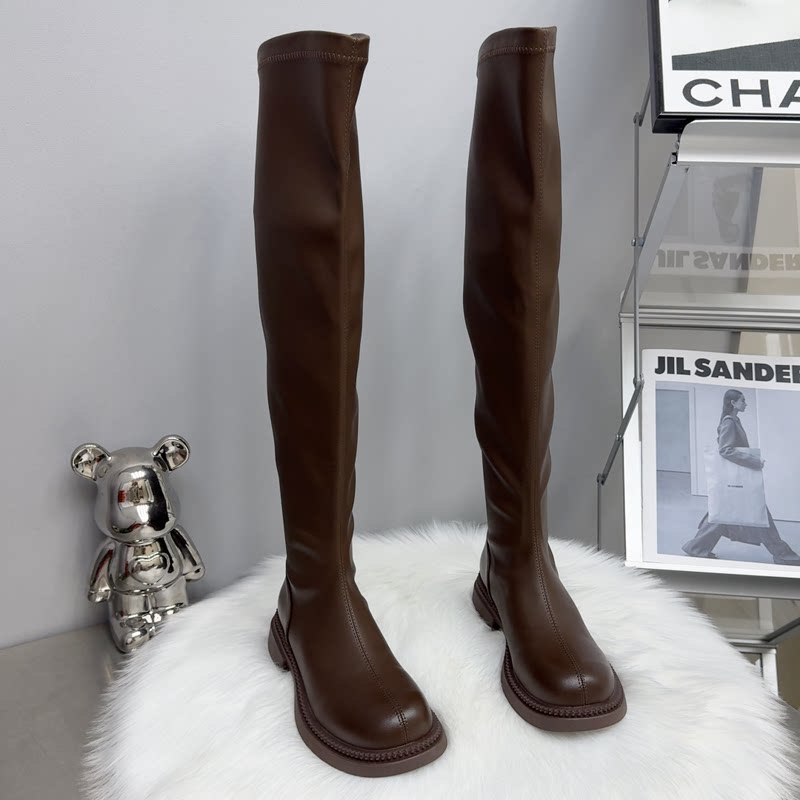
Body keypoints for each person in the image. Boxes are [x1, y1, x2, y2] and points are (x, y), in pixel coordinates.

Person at [682, 389, 800, 565]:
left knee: (721, 515)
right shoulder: (729, 422)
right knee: (758, 514)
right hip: (738, 480)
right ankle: (783, 555)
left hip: (735, 481)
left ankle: (696, 547)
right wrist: (754, 461)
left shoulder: (734, 420)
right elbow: (725, 450)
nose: (745, 403)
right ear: (733, 403)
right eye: (742, 400)